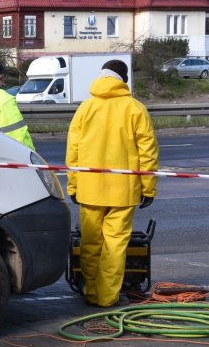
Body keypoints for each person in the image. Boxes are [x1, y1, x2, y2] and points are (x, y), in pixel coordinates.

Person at [66, 59, 158, 308]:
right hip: (123, 190)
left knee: (90, 243)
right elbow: (147, 152)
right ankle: (106, 297)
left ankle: (91, 292)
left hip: (89, 188)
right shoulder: (135, 108)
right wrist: (148, 187)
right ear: (124, 79)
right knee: (115, 245)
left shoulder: (85, 108)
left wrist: (73, 185)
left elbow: (73, 151)